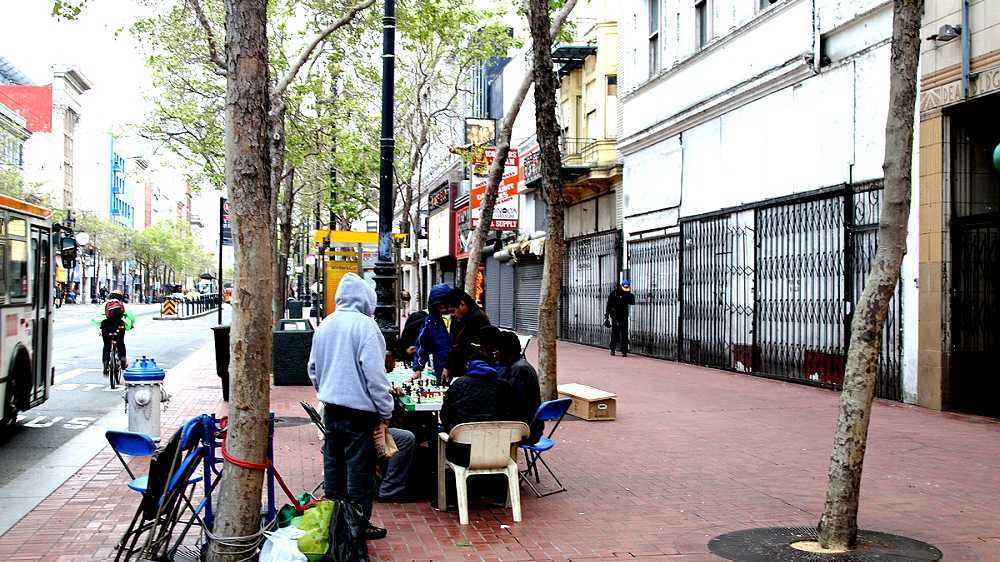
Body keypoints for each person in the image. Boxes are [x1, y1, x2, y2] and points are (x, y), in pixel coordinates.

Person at [307, 272, 393, 541]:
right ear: (367, 299)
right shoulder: (366, 327)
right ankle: (356, 526)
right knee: (359, 471)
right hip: (359, 413)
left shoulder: (325, 325)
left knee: (334, 467)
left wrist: (327, 390)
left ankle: (335, 523)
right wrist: (386, 409)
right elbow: (375, 376)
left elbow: (312, 369)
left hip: (331, 408)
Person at [439, 359, 515, 466]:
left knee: (437, 433)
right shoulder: (504, 385)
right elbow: (511, 415)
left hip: (462, 455)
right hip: (498, 452)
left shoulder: (459, 383)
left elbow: (444, 415)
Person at [495, 331, 543, 444]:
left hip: (526, 430)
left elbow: (513, 403)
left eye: (496, 351)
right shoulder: (520, 365)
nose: (495, 355)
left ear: (505, 352)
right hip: (529, 425)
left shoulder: (519, 370)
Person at [412, 284, 456, 383]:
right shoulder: (430, 322)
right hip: (440, 371)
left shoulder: (459, 318)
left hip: (460, 371)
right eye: (440, 305)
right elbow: (422, 345)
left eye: (446, 303)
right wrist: (418, 368)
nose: (444, 307)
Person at [448, 289, 491, 380]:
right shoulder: (463, 317)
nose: (453, 315)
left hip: (473, 371)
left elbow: (468, 348)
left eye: (453, 311)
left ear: (462, 304)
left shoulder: (476, 319)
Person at [98, 298, 135, 374]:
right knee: (120, 342)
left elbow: (96, 318)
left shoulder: (104, 305)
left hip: (106, 327)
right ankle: (123, 359)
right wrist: (131, 325)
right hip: (119, 326)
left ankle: (105, 364)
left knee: (106, 346)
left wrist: (100, 327)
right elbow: (131, 318)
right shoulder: (123, 305)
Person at [605, 280, 635, 357]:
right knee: (615, 333)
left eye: (627, 287)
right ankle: (612, 349)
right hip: (615, 316)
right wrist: (607, 317)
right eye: (625, 287)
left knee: (624, 334)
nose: (626, 289)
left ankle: (624, 351)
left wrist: (629, 294)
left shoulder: (627, 293)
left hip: (624, 316)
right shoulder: (614, 293)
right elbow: (608, 305)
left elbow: (632, 302)